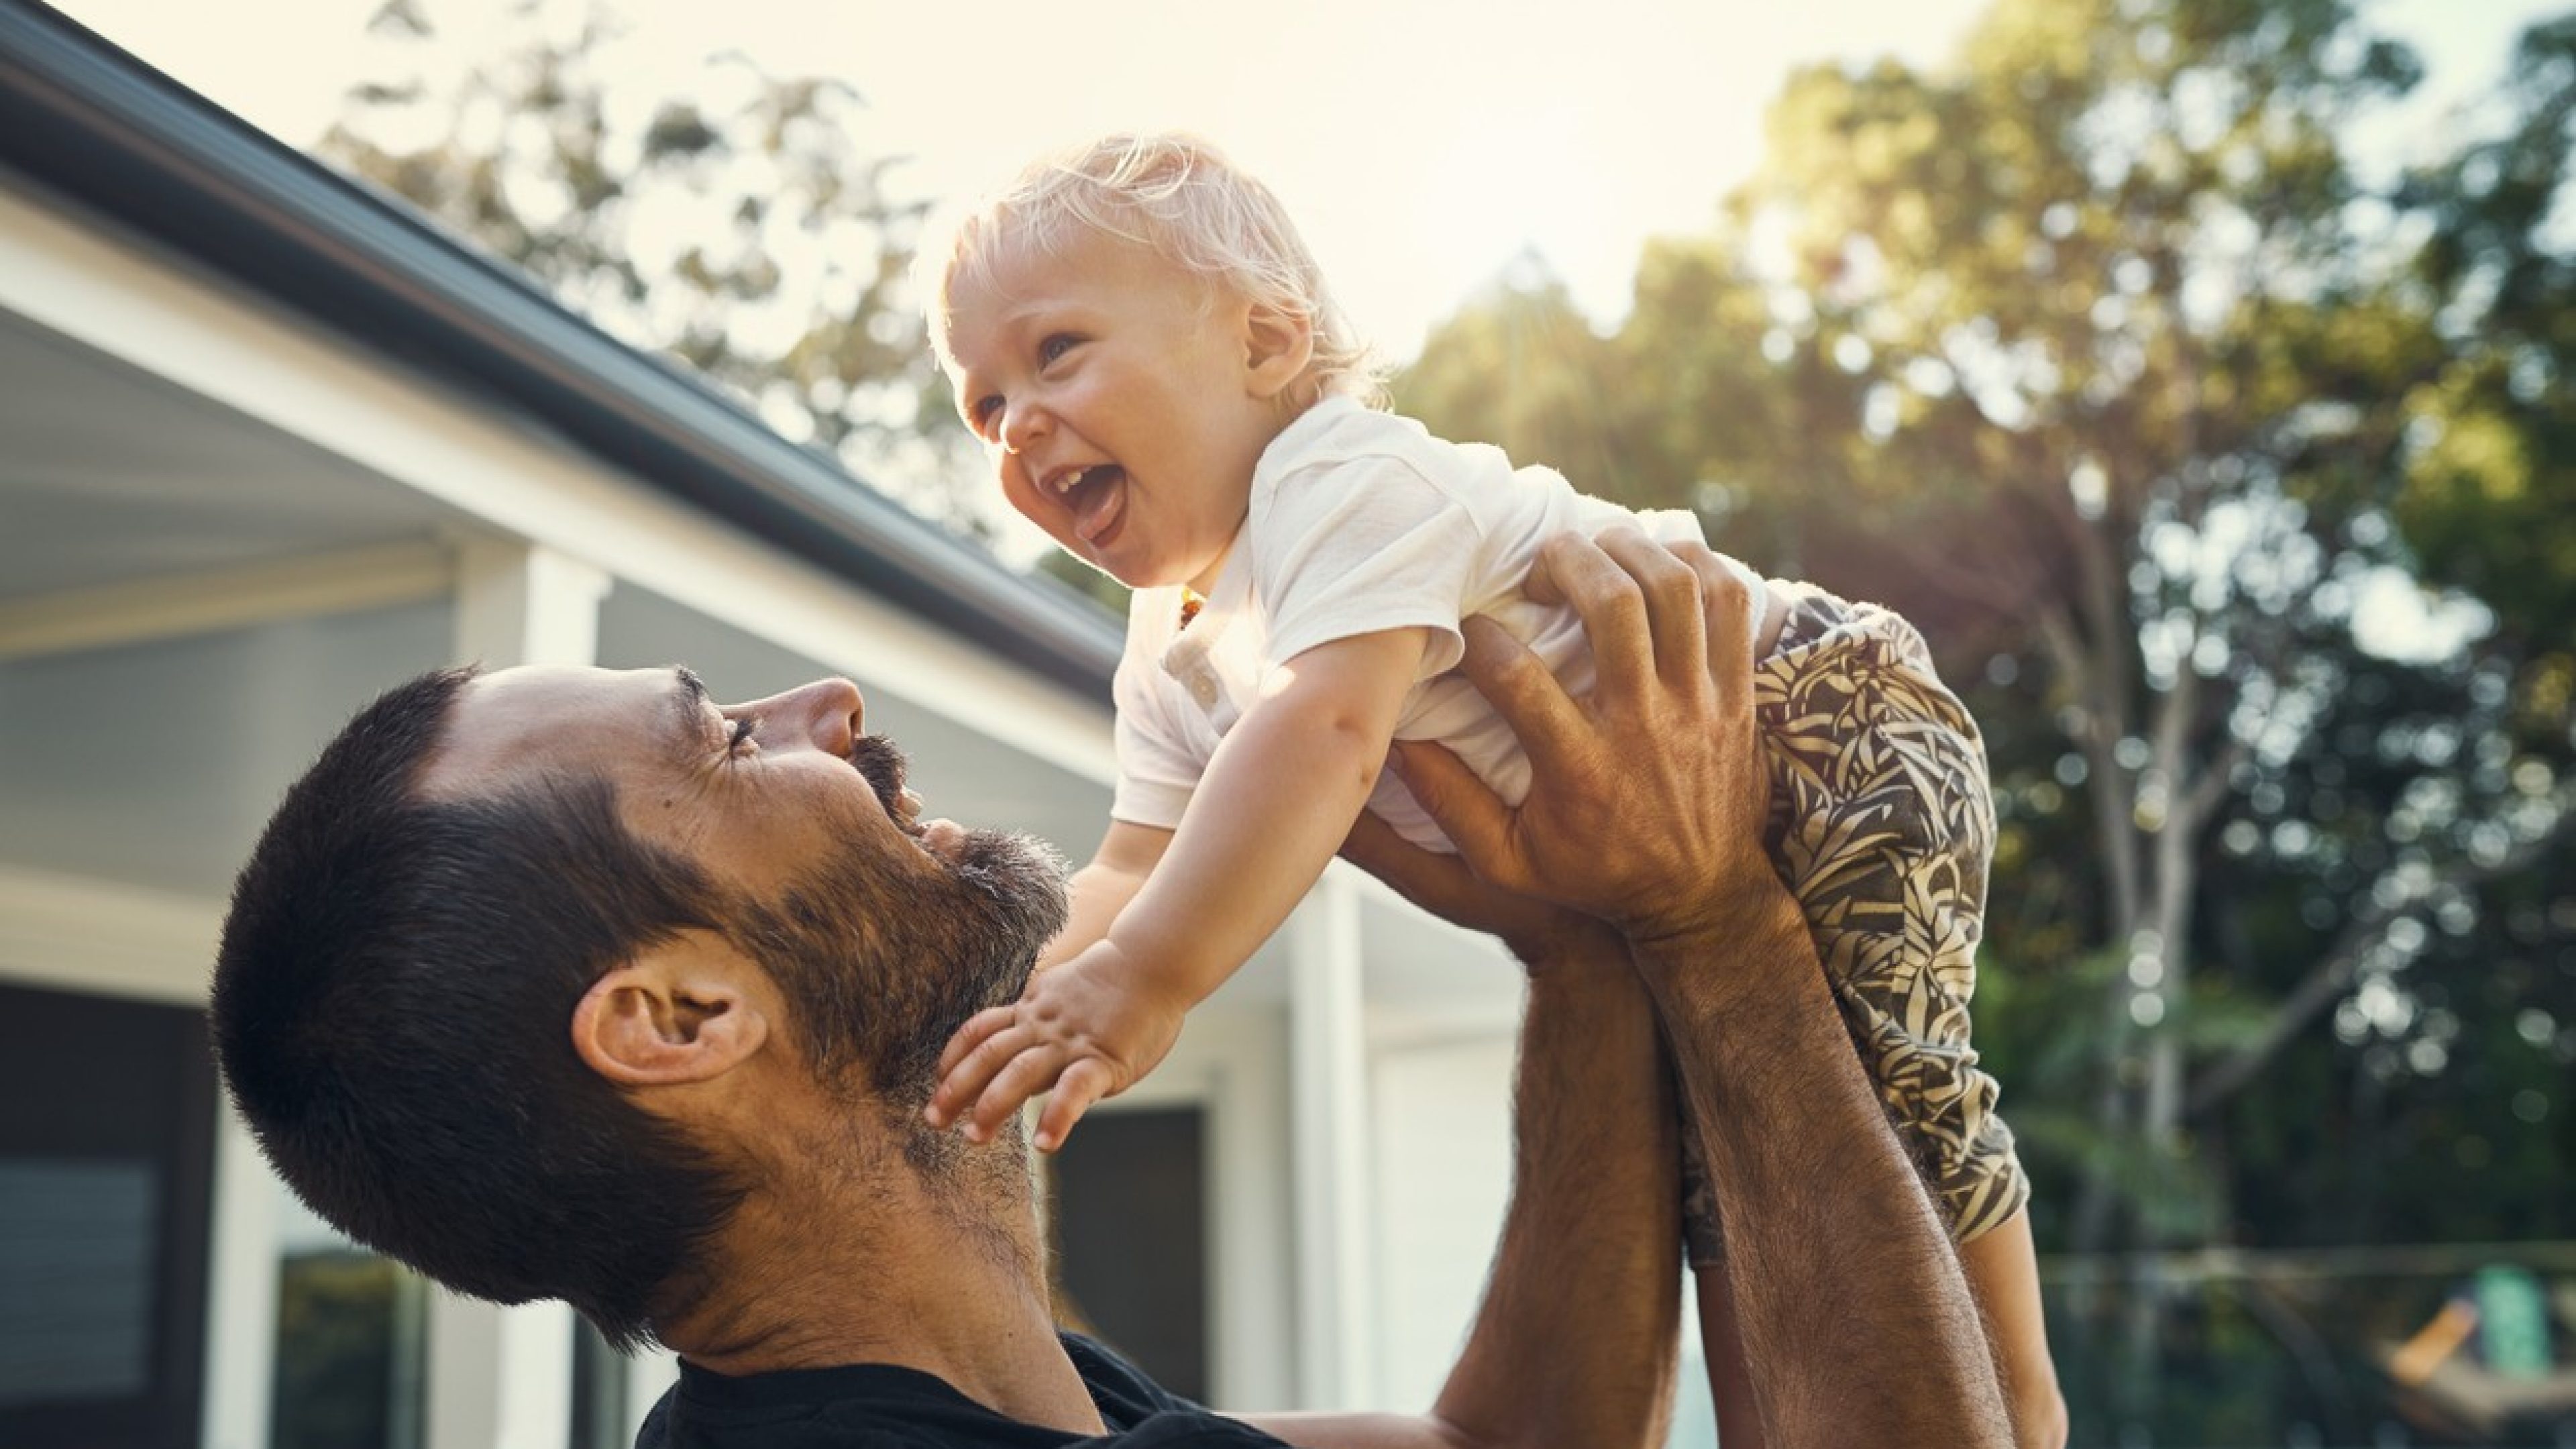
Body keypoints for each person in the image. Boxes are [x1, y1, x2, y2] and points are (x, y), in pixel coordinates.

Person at [211, 531, 2013, 1447]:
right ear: (681, 1019)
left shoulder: (993, 1397)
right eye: (720, 738)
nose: (824, 706)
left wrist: (1587, 940)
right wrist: (1714, 930)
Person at [924, 133, 2063, 1444]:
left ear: (1266, 344)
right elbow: (1130, 868)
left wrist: (1145, 986)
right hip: (1670, 827)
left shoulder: (1338, 483)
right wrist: (1011, 1001)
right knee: (1729, 1171)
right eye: (985, 404)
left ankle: (2023, 1407)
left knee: (1889, 1096)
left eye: (1057, 351)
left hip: (1816, 713)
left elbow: (1330, 730)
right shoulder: (1170, 645)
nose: (1019, 424)